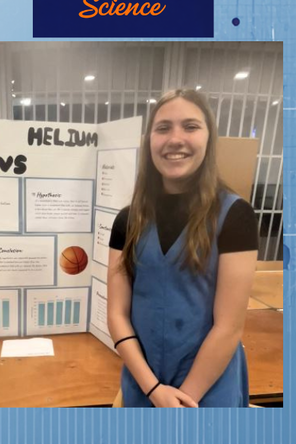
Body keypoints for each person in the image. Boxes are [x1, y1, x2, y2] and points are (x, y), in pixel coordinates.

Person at [107, 88, 258, 407]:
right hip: (144, 383)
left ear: (209, 138)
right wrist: (153, 390)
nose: (175, 139)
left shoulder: (235, 216)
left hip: (207, 387)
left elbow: (228, 327)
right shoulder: (127, 221)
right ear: (149, 141)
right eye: (163, 128)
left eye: (190, 126)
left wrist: (184, 401)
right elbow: (117, 314)